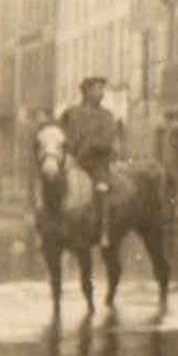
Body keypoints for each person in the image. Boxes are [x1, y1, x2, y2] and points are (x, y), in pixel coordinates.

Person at [59, 77, 123, 248]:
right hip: (75, 161)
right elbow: (64, 136)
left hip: (97, 164)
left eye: (102, 89)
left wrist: (96, 146)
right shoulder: (71, 114)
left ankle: (104, 230)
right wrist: (70, 150)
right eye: (97, 89)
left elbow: (109, 141)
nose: (101, 93)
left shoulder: (107, 115)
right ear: (86, 92)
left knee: (102, 188)